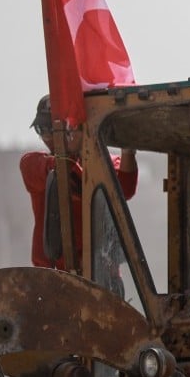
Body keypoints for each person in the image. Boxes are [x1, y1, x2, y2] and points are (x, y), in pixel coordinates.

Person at [19, 94, 138, 272]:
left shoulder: (106, 165)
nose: (47, 135)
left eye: (51, 128)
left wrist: (128, 151)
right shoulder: (34, 164)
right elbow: (61, 167)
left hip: (101, 277)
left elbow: (125, 189)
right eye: (41, 128)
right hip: (54, 277)